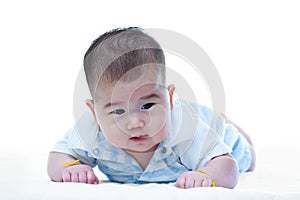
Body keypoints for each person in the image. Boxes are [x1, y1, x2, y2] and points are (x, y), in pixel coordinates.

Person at [47, 27, 256, 189]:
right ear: (94, 113)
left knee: (247, 157)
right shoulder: (91, 131)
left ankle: (223, 121)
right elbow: (57, 157)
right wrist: (71, 168)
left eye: (147, 105)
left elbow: (228, 167)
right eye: (118, 111)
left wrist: (206, 175)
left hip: (213, 131)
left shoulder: (185, 131)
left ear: (169, 97)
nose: (135, 122)